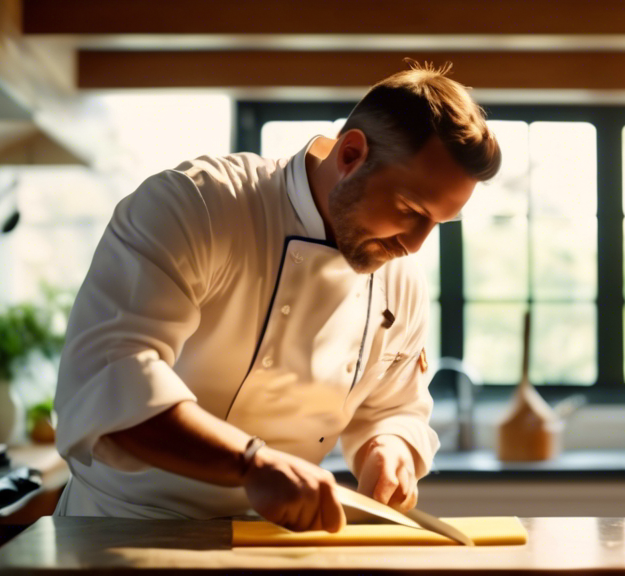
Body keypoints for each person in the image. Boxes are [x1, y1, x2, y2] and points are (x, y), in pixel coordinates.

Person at [52, 59, 501, 532]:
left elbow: (394, 406)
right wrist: (252, 464)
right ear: (351, 154)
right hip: (127, 528)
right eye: (410, 209)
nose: (414, 244)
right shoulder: (198, 205)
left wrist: (387, 449)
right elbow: (109, 376)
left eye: (437, 224)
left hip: (274, 537)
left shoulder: (397, 268)